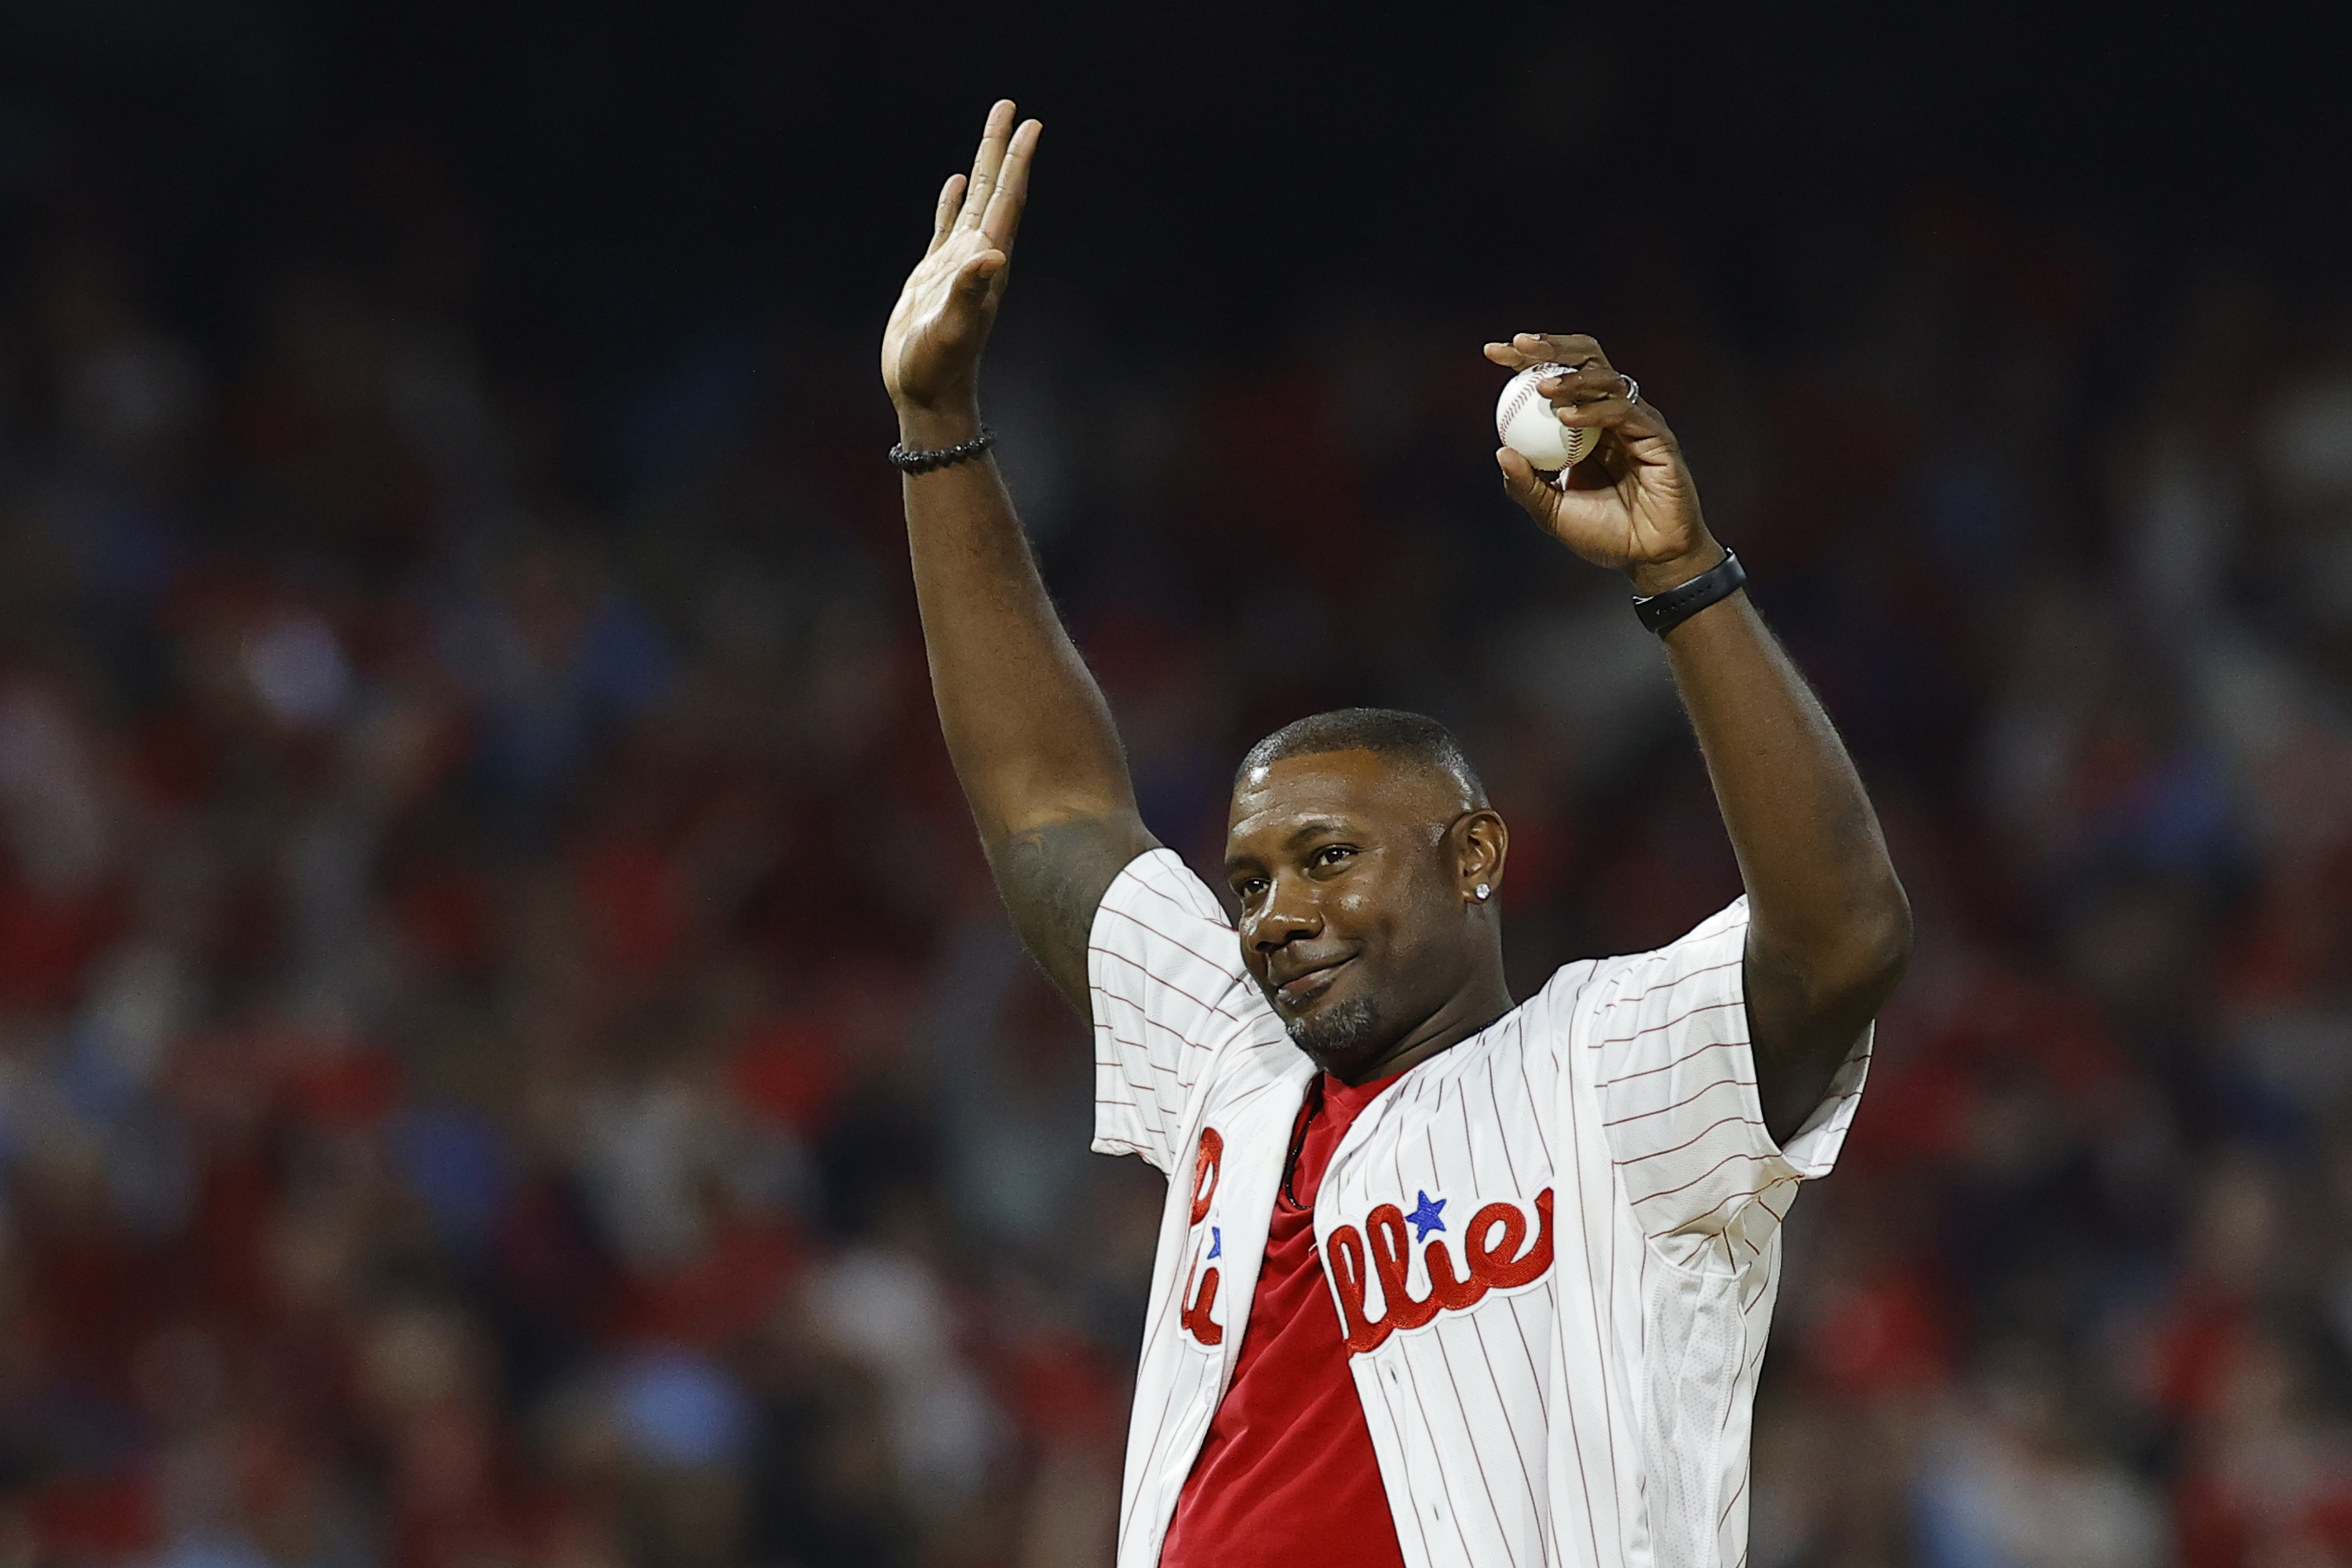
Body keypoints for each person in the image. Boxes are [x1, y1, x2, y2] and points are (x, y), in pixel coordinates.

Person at [880, 101, 1912, 1568]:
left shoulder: (1601, 1072)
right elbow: (1051, 807)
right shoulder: (1233, 1066)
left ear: (1476, 855)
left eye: (1326, 857)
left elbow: (1843, 935)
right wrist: (937, 428)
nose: (1273, 911)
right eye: (1247, 879)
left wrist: (1681, 575)